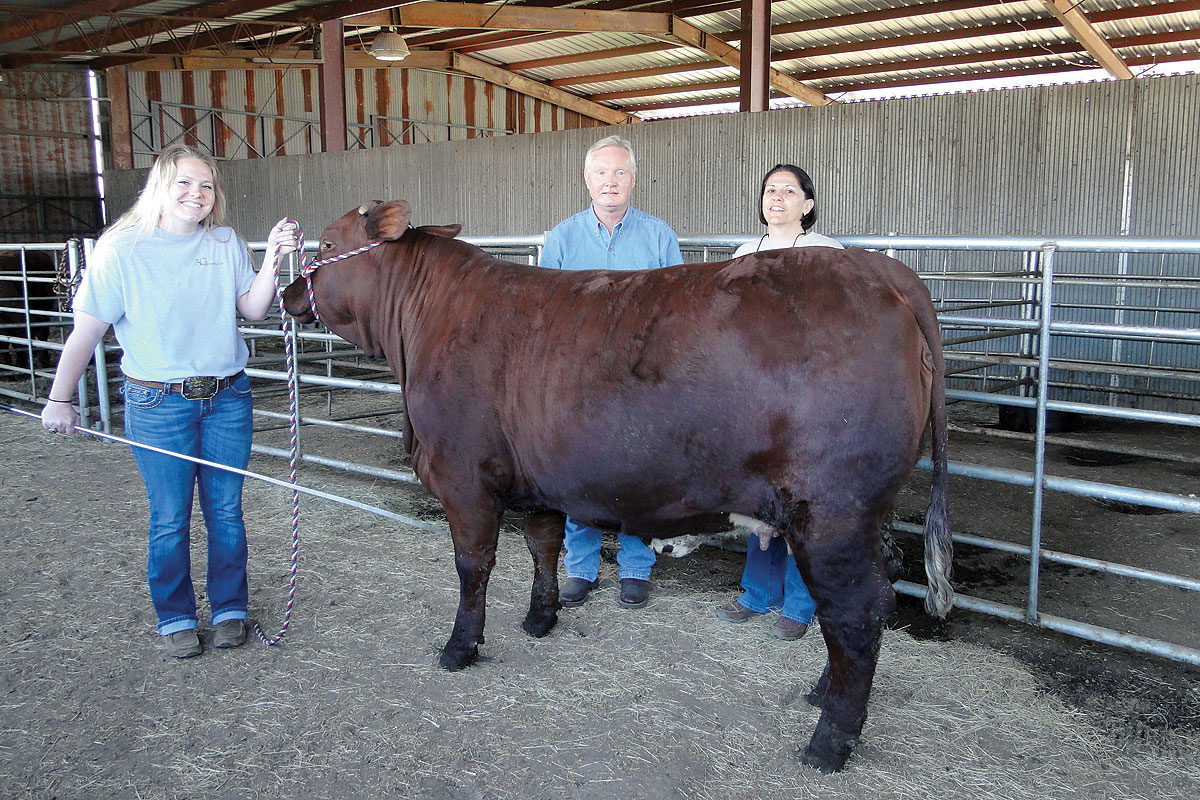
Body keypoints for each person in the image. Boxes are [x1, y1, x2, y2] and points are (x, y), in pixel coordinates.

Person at [40, 144, 299, 659]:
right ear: (159, 186)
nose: (196, 194)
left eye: (205, 186)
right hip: (158, 403)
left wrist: (272, 257)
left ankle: (229, 609)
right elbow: (86, 330)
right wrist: (58, 398)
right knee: (170, 515)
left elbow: (252, 309)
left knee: (226, 511)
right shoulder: (121, 248)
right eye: (183, 183)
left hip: (227, 397)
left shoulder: (224, 243)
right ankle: (176, 614)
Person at [540, 134, 683, 610]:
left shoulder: (659, 235)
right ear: (587, 179)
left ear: (634, 180)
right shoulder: (561, 238)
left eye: (620, 172)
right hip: (578, 377)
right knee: (575, 468)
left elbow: (677, 310)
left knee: (637, 469)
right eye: (602, 172)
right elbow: (547, 312)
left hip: (639, 376)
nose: (610, 181)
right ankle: (581, 568)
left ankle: (636, 567)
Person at [717, 163, 844, 640]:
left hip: (805, 389)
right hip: (754, 390)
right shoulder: (745, 253)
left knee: (800, 493)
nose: (777, 197)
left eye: (789, 191)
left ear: (807, 205)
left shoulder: (826, 253)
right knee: (758, 492)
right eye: (771, 189)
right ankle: (757, 592)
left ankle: (800, 600)